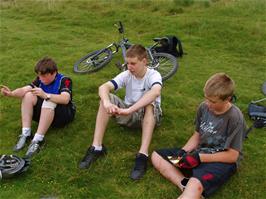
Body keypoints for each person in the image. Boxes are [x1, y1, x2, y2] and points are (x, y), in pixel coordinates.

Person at [151, 73, 246, 198]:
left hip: (219, 162)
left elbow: (232, 156)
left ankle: (193, 186)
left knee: (196, 183)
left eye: (212, 101)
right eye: (206, 98)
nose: (207, 103)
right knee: (157, 156)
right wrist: (183, 152)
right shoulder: (203, 107)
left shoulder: (235, 118)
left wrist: (199, 157)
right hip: (197, 155)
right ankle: (184, 184)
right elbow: (197, 135)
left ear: (228, 99)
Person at [79, 44, 163, 180]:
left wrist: (129, 109)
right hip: (129, 114)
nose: (129, 67)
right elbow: (103, 87)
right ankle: (97, 147)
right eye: (127, 63)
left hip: (149, 117)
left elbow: (155, 92)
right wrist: (106, 103)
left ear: (144, 61)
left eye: (133, 63)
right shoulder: (127, 74)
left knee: (150, 104)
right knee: (106, 98)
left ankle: (143, 155)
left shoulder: (153, 75)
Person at [0, 57, 75, 158]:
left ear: (54, 72)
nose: (41, 79)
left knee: (49, 101)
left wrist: (46, 95)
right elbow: (24, 89)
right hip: (47, 114)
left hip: (64, 116)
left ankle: (38, 139)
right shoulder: (39, 79)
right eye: (39, 76)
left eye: (44, 76)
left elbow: (65, 99)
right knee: (28, 95)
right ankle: (26, 133)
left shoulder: (64, 80)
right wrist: (11, 93)